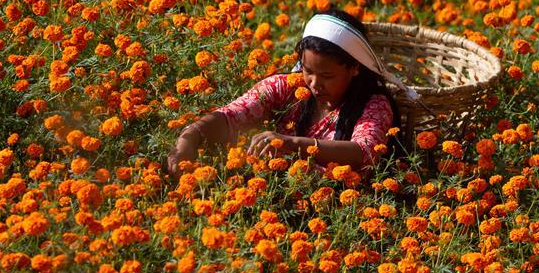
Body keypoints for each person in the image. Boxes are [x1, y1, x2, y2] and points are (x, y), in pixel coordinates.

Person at [165, 9, 407, 180]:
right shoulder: (288, 87)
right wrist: (190, 137)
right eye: (308, 71)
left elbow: (363, 151)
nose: (314, 84)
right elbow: (232, 114)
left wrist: (292, 144)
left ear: (354, 68)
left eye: (327, 75)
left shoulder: (374, 105)